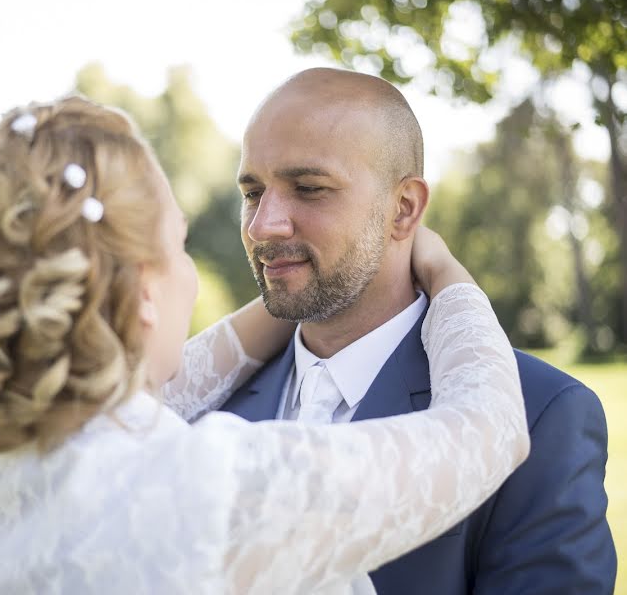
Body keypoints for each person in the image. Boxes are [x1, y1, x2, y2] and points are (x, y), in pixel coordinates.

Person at [0, 95, 529, 595]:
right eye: (179, 247)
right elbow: (489, 426)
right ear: (144, 289)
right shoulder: (208, 492)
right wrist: (445, 273)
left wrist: (305, 282)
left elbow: (161, 388)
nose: (261, 226)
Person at [223, 67, 616, 593]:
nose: (262, 225)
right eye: (252, 192)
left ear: (404, 209)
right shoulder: (202, 403)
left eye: (309, 188)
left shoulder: (543, 414)